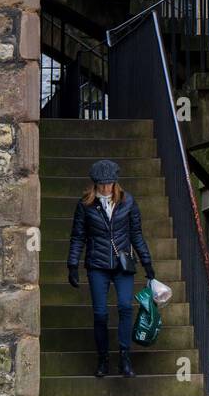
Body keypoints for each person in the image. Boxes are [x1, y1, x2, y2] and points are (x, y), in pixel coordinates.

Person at [67, 159, 156, 378]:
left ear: (115, 182)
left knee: (126, 307)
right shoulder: (85, 204)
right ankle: (103, 359)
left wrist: (147, 262)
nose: (106, 188)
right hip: (97, 265)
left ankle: (125, 357)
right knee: (100, 314)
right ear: (95, 183)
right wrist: (72, 264)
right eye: (101, 184)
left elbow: (136, 234)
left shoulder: (128, 202)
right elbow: (78, 236)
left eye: (109, 183)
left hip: (122, 264)